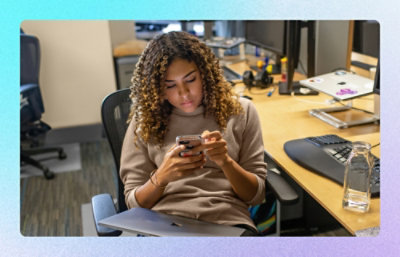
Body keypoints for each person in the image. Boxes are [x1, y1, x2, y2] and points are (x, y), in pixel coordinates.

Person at [120, 31, 267, 236]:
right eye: (170, 86)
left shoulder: (241, 111)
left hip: (226, 222)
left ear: (205, 74)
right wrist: (161, 177)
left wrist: (226, 162)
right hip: (164, 224)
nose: (184, 93)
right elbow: (134, 204)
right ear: (158, 89)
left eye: (190, 79)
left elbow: (256, 195)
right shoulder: (144, 121)